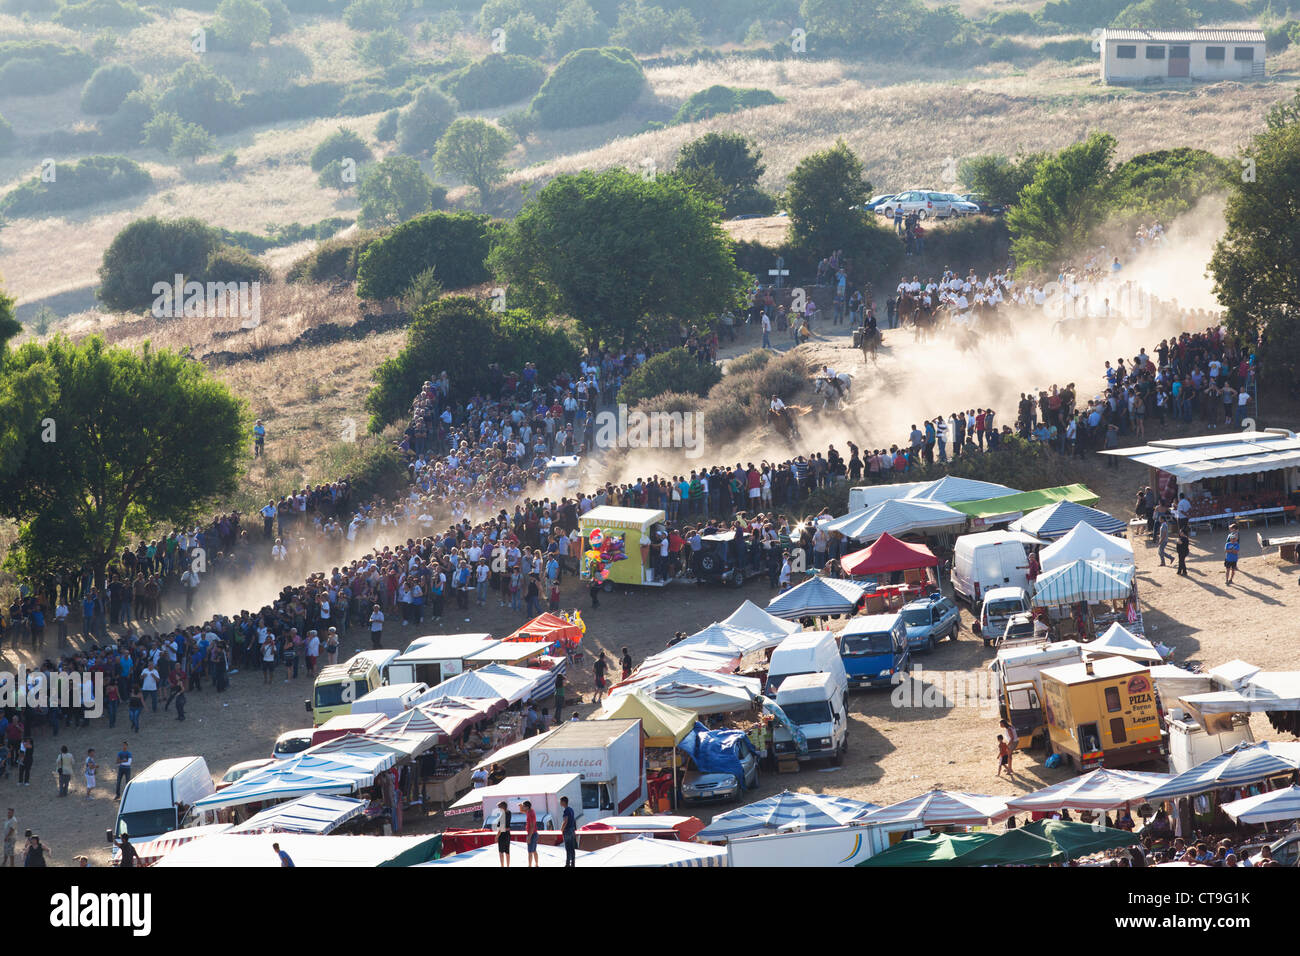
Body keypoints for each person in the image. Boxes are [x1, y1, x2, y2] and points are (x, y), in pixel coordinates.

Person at [560, 794, 577, 867]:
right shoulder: (571, 809)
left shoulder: (566, 810)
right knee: (572, 848)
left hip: (567, 831)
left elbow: (565, 821)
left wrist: (562, 829)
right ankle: (573, 863)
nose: (560, 803)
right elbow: (573, 820)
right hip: (572, 830)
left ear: (564, 802)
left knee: (568, 848)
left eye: (561, 801)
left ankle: (567, 864)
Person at [495, 801, 512, 867]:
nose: (498, 808)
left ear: (502, 807)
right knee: (507, 851)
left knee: (501, 852)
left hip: (502, 835)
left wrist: (496, 836)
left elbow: (501, 828)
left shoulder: (502, 814)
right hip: (507, 834)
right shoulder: (509, 813)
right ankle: (508, 865)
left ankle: (502, 866)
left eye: (499, 807)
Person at [523, 799, 539, 868]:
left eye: (524, 806)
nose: (523, 808)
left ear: (527, 807)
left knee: (530, 852)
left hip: (532, 834)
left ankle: (530, 865)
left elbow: (532, 826)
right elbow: (522, 811)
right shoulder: (530, 811)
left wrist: (529, 837)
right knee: (534, 850)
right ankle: (536, 864)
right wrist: (520, 806)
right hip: (534, 833)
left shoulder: (530, 813)